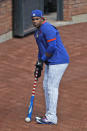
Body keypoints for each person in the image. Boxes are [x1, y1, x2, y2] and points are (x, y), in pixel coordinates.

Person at [31, 9, 69, 125]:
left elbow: (52, 47)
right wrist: (39, 65)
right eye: (33, 19)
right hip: (50, 62)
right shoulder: (37, 33)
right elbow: (41, 49)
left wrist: (43, 59)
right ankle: (49, 115)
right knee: (46, 87)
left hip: (59, 61)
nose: (35, 21)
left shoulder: (47, 28)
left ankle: (52, 117)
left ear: (42, 19)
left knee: (52, 88)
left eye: (37, 19)